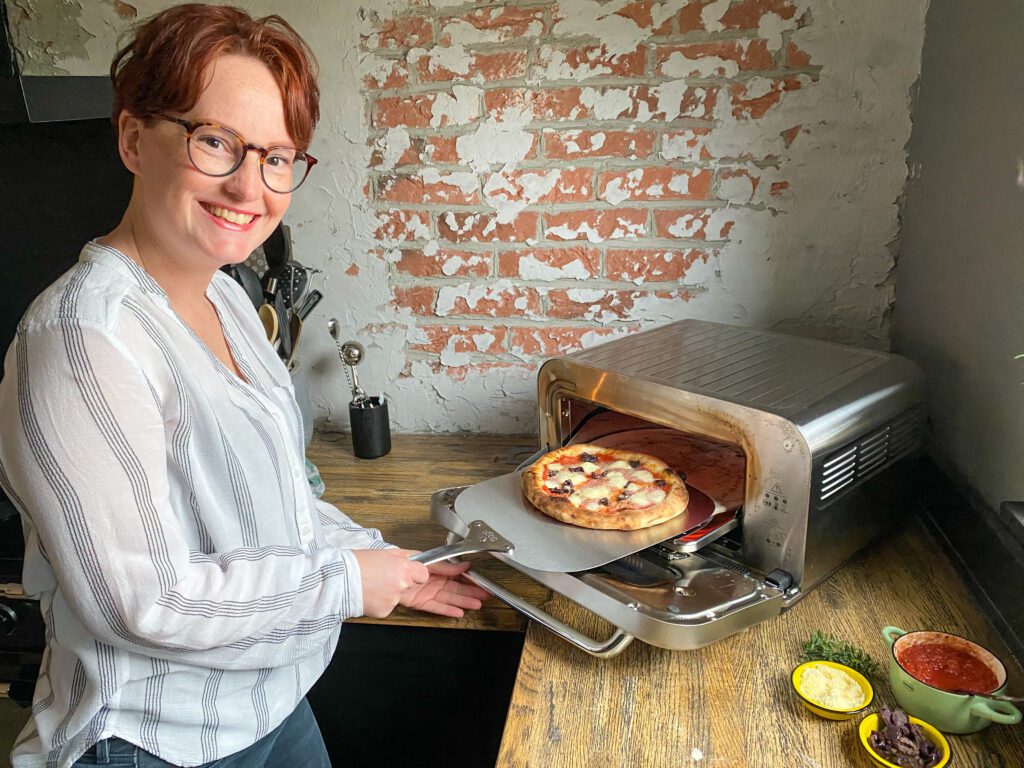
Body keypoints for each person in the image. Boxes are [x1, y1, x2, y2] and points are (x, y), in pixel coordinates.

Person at [0, 5, 488, 767]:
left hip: (269, 698)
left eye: (277, 156)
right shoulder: (81, 339)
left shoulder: (226, 292)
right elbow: (143, 601)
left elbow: (270, 498)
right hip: (155, 738)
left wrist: (386, 558)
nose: (249, 187)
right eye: (216, 142)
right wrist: (347, 580)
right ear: (134, 139)